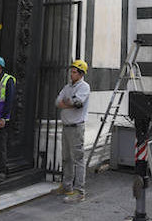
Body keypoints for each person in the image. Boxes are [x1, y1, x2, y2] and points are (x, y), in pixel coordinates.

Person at [54, 59, 90, 203]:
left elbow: (77, 103)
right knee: (66, 158)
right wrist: (68, 103)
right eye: (71, 71)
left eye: (74, 72)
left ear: (81, 74)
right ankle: (67, 186)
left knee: (78, 160)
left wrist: (68, 103)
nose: (71, 74)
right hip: (66, 127)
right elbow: (58, 102)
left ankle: (80, 192)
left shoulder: (84, 87)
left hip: (76, 128)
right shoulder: (67, 87)